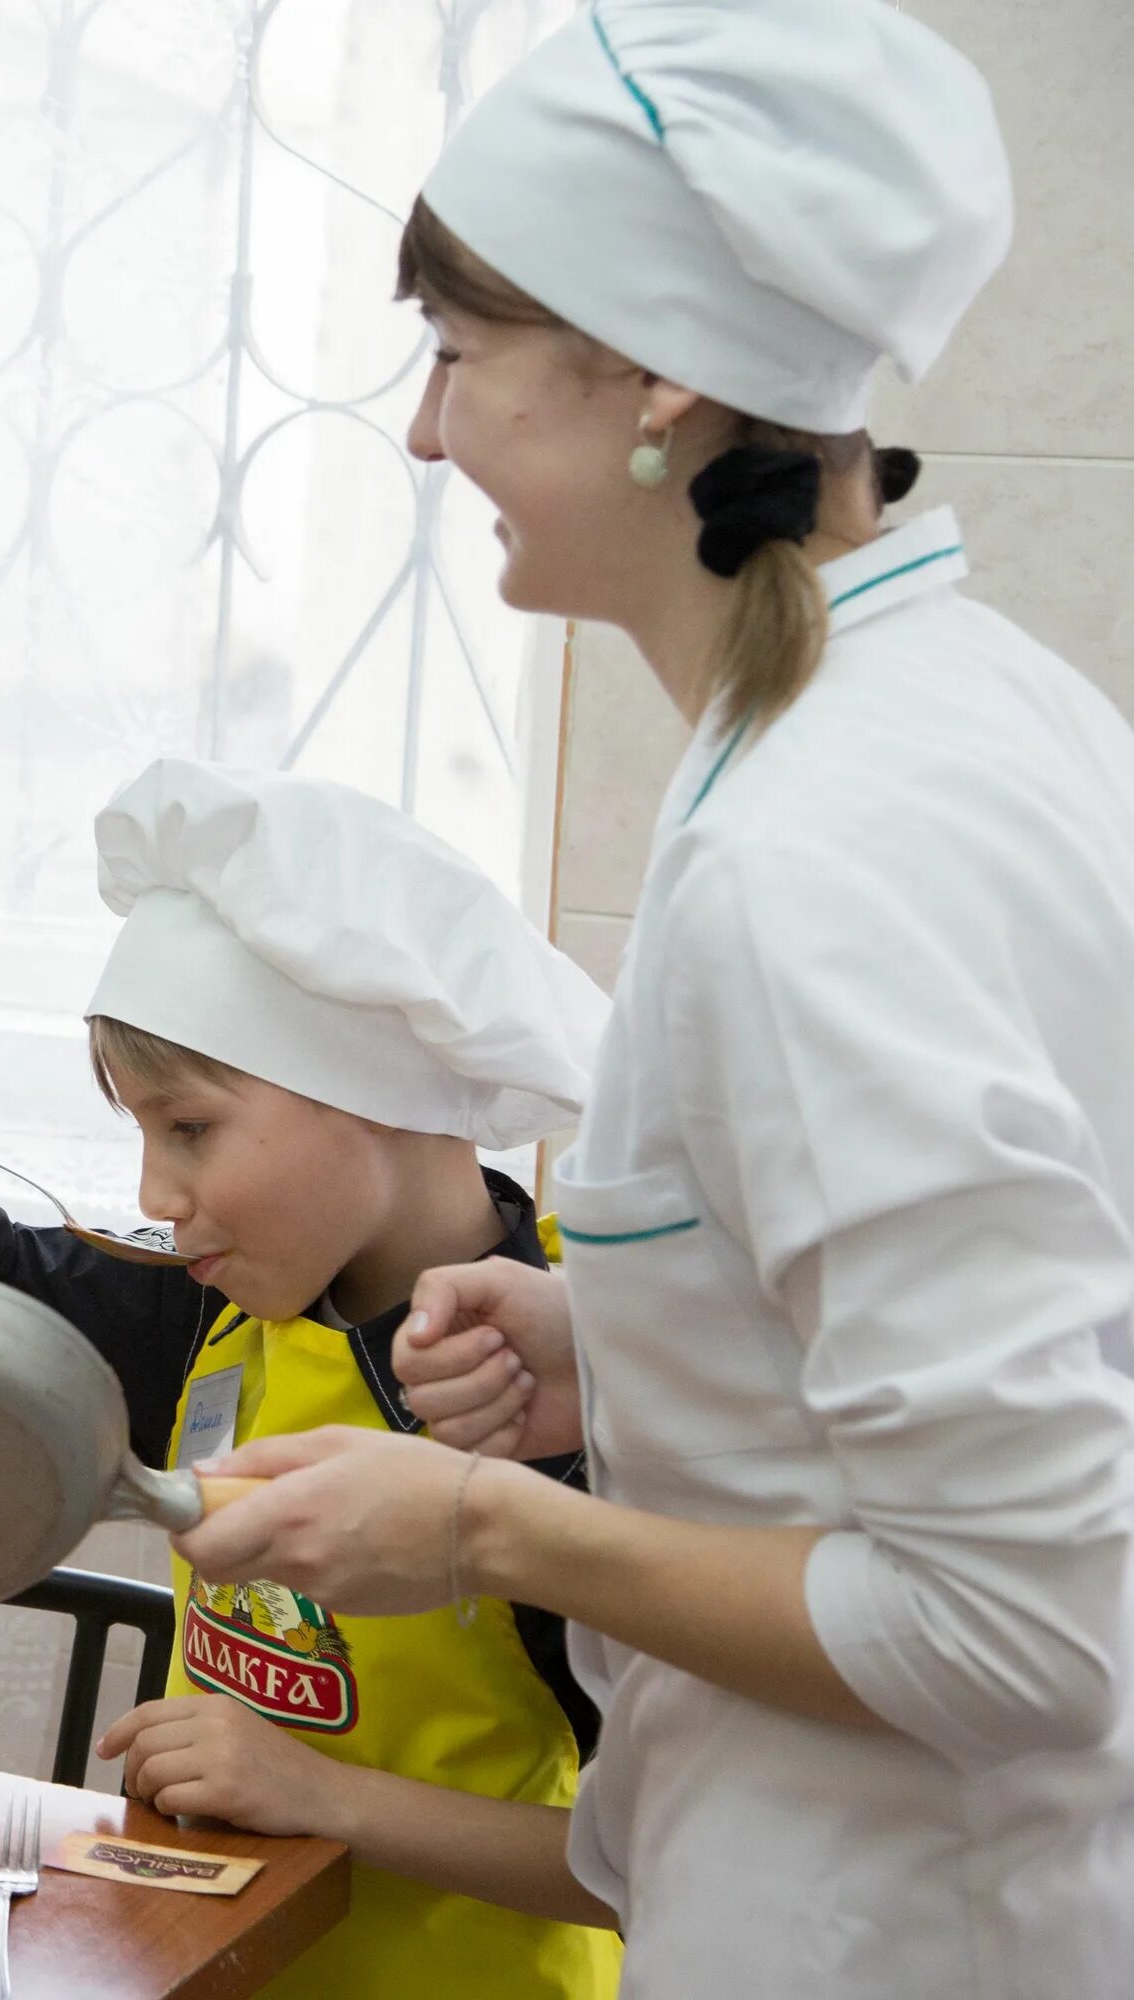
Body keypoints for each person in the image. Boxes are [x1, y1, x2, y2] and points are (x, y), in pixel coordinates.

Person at [161, 7, 1134, 1994]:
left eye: (454, 355)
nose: (427, 437)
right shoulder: (961, 712)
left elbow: (1034, 1627)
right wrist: (637, 1341)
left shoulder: (819, 852)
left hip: (896, 1929)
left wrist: (483, 1528)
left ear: (656, 373)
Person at [0, 760, 617, 1996]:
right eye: (140, 1131)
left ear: (377, 1091)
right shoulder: (224, 1309)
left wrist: (321, 1794)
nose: (153, 1195)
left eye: (187, 1127)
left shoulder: (560, 1389)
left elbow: (647, 1854)